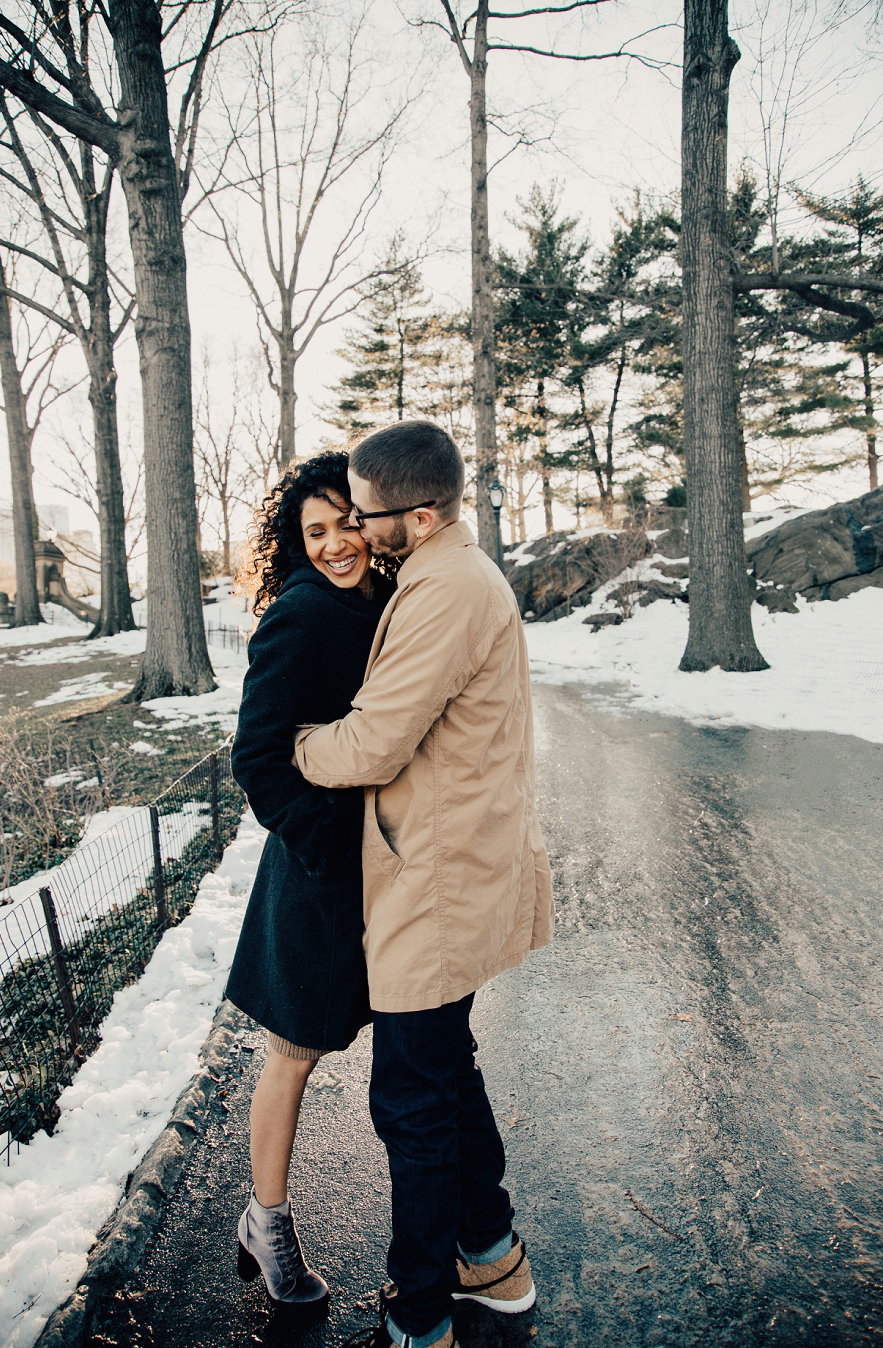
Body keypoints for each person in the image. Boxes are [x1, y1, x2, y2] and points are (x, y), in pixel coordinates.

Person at [293, 421, 554, 1348]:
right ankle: (491, 1258)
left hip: (438, 883)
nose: (358, 533)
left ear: (424, 511)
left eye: (369, 515)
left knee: (408, 1098)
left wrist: (291, 745)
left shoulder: (443, 590)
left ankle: (418, 1315)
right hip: (450, 866)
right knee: (445, 1073)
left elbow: (370, 742)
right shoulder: (449, 574)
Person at [226, 451, 395, 1316]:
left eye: (345, 522)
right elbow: (255, 756)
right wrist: (325, 843)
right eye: (314, 532)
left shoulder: (386, 598)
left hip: (381, 864)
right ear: (296, 546)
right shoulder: (299, 615)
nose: (335, 544)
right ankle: (269, 1221)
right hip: (317, 871)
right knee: (294, 1054)